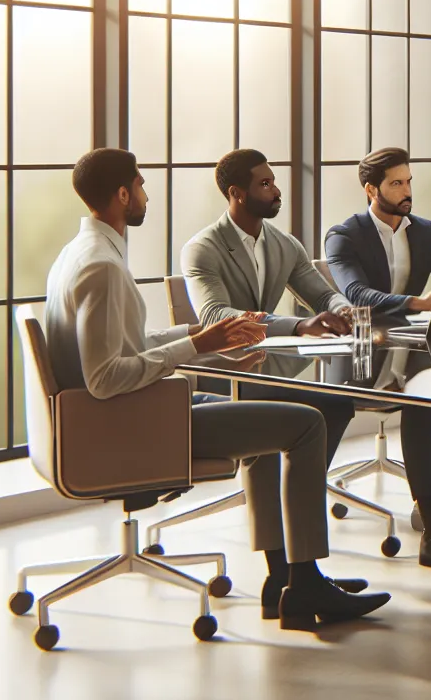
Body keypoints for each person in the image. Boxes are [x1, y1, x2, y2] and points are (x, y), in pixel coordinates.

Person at [44, 148, 389, 630]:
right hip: (130, 425)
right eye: (140, 185)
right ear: (122, 194)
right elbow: (105, 379)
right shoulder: (104, 265)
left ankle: (284, 578)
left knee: (291, 418)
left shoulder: (81, 253)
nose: (146, 195)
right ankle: (304, 584)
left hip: (130, 413)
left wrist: (202, 342)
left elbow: (129, 346)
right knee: (306, 425)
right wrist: (200, 343)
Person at [181, 148, 431, 575]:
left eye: (274, 181)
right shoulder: (202, 248)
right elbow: (216, 316)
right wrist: (298, 326)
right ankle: (293, 573)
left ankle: (317, 562)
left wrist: (343, 312)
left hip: (279, 368)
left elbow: (324, 294)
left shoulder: (282, 244)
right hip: (228, 374)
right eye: (265, 184)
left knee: (352, 404)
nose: (277, 190)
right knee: (321, 413)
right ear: (236, 193)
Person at [323, 147, 431, 574]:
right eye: (396, 184)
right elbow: (357, 294)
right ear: (372, 190)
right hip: (363, 349)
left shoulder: (423, 231)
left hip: (410, 344)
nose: (406, 192)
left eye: (408, 182)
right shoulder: (343, 236)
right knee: (419, 400)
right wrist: (416, 303)